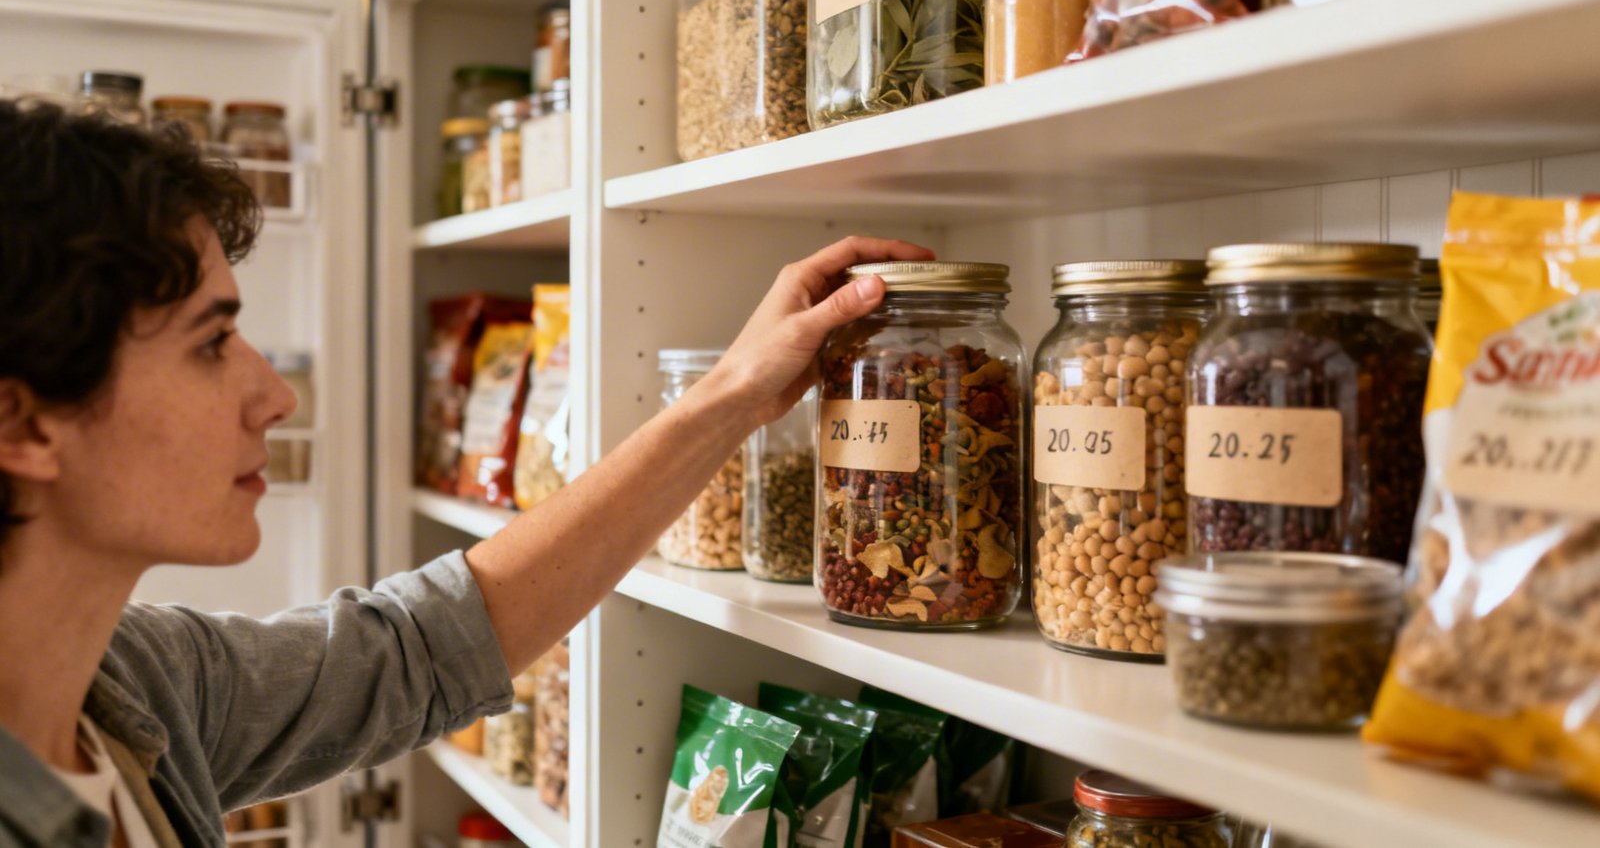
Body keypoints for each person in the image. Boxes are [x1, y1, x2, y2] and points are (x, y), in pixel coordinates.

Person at [0, 99, 933, 847]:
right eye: (212, 343)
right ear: (23, 421)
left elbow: (420, 647)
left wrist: (730, 395)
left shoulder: (138, 685)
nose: (274, 397)